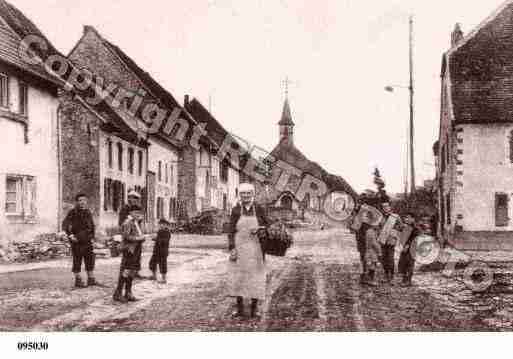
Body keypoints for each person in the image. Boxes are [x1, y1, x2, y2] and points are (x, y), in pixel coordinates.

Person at [227, 182, 270, 319]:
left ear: (253, 194)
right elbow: (230, 230)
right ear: (240, 195)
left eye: (248, 193)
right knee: (238, 277)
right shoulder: (235, 210)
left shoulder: (259, 209)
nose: (245, 196)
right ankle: (239, 309)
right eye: (242, 193)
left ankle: (254, 309)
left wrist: (260, 229)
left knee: (255, 278)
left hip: (256, 248)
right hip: (240, 248)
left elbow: (268, 226)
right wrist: (232, 248)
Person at [62, 193, 99, 288]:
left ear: (86, 202)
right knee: (77, 260)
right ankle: (78, 280)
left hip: (87, 241)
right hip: (77, 241)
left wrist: (93, 238)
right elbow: (65, 224)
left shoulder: (88, 212)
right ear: (76, 202)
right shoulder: (73, 212)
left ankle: (91, 279)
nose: (82, 202)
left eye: (84, 200)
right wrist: (70, 235)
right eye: (80, 200)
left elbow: (91, 226)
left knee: (90, 259)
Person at [113, 207, 146, 302]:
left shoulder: (136, 222)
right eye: (135, 212)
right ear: (131, 213)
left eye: (139, 213)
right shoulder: (127, 222)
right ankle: (118, 293)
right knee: (126, 271)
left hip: (136, 249)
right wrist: (139, 238)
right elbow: (126, 236)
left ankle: (128, 292)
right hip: (129, 250)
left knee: (132, 271)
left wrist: (142, 237)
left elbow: (138, 234)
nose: (137, 215)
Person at [119, 190, 144, 279]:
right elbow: (121, 222)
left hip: (137, 234)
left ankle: (135, 271)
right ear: (129, 198)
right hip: (129, 235)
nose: (134, 200)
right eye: (132, 198)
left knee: (138, 254)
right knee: (129, 256)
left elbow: (139, 221)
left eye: (136, 199)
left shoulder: (138, 207)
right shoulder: (125, 208)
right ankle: (125, 275)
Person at [379, 201, 402, 285]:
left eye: (386, 206)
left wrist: (395, 231)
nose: (385, 208)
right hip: (382, 240)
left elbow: (401, 227)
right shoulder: (381, 217)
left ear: (390, 207)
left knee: (390, 259)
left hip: (391, 240)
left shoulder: (395, 217)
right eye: (383, 207)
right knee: (383, 259)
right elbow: (378, 227)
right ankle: (385, 275)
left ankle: (391, 276)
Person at [398, 212, 419, 287]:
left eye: (408, 217)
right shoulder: (406, 227)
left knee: (410, 264)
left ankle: (408, 280)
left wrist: (407, 245)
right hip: (404, 248)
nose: (406, 219)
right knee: (403, 263)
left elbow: (415, 238)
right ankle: (404, 279)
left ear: (413, 219)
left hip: (411, 249)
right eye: (406, 218)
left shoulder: (415, 228)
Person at [149, 218, 171, 283]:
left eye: (163, 224)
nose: (161, 225)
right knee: (152, 263)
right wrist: (155, 238)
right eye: (160, 224)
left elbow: (165, 241)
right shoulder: (159, 231)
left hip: (163, 251)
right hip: (156, 251)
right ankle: (154, 275)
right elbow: (159, 239)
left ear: (166, 225)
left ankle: (164, 279)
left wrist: (156, 239)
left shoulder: (167, 232)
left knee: (163, 265)